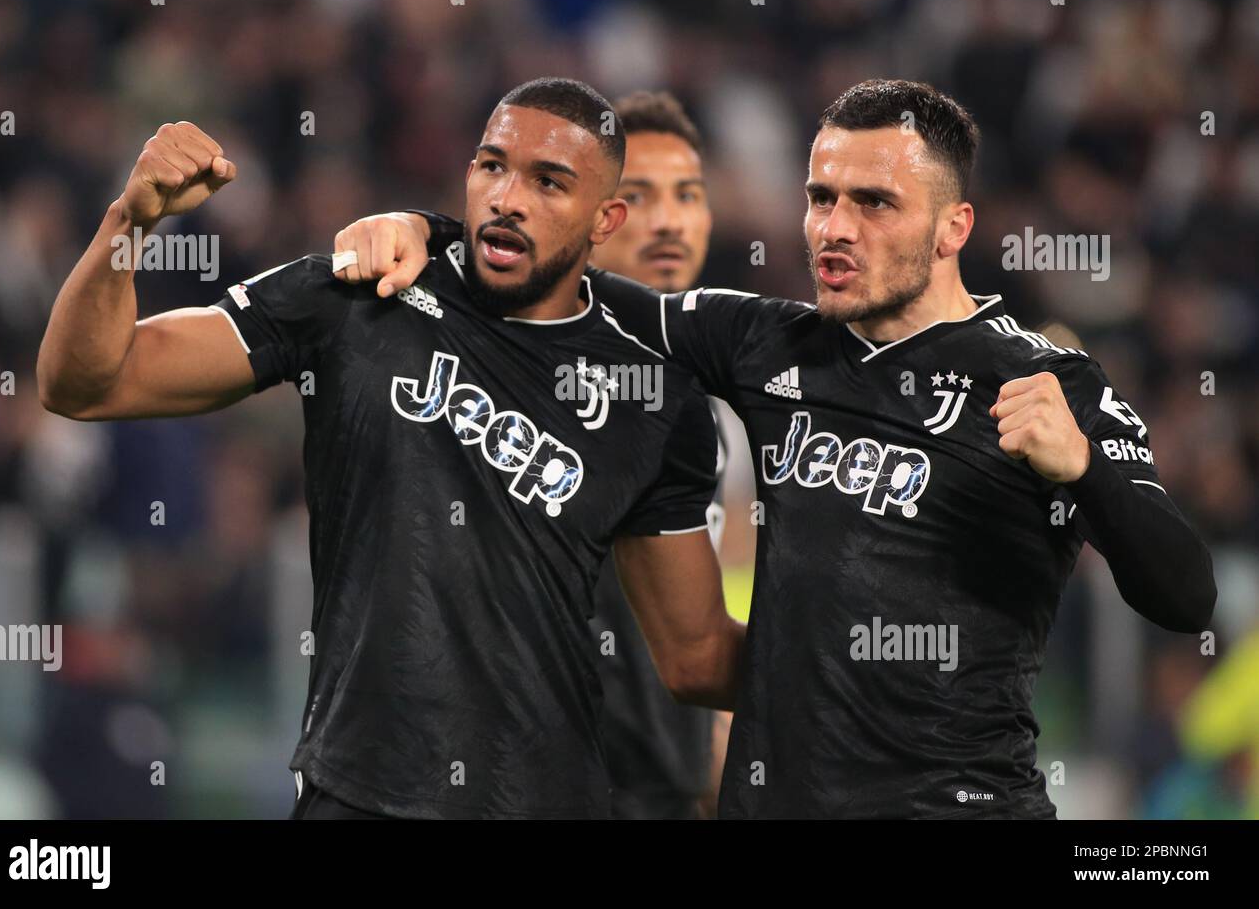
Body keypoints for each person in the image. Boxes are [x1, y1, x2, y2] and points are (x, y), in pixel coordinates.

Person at [373, 79, 1217, 818]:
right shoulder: (767, 344)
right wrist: (426, 229)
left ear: (954, 226)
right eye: (821, 197)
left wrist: (1086, 470)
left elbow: (1185, 594)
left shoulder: (1043, 383)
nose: (833, 229)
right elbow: (570, 289)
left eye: (874, 203)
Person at [36, 77, 743, 819]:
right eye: (492, 165)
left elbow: (695, 656)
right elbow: (84, 383)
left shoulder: (653, 399)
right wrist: (128, 223)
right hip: (358, 794)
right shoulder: (359, 294)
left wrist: (853, 673)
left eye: (548, 182)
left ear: (605, 220)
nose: (507, 196)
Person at [338, 90, 733, 819]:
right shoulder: (501, 373)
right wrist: (418, 224)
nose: (669, 221)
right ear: (600, 218)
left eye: (689, 195)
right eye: (640, 196)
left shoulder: (691, 404)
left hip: (667, 788)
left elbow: (696, 644)